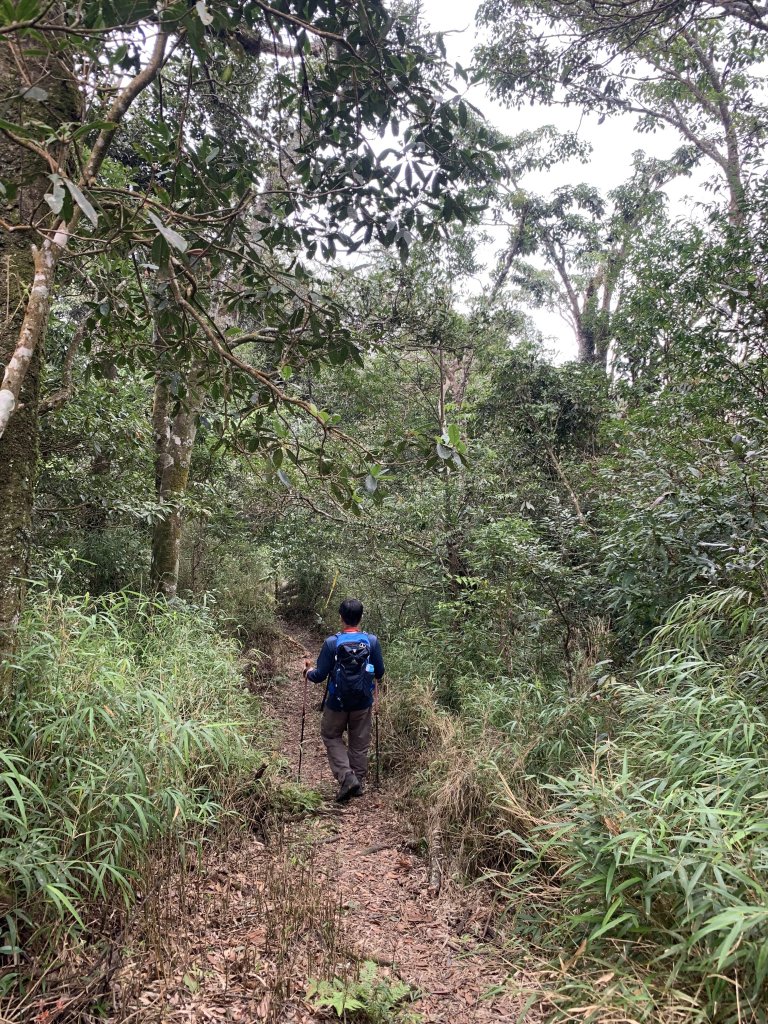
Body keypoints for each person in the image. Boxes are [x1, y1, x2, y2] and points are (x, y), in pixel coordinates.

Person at [304, 598, 385, 802]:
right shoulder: (371, 641)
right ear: (361, 617)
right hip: (363, 702)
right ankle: (356, 781)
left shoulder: (332, 642)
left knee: (331, 735)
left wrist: (307, 671)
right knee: (359, 743)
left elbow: (319, 675)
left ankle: (347, 777)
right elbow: (380, 672)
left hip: (337, 703)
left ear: (341, 617)